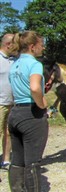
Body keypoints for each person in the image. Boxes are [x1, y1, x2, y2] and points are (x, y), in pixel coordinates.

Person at [8, 31, 57, 192]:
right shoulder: (35, 65)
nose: (42, 47)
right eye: (41, 44)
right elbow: (35, 88)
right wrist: (42, 104)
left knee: (17, 160)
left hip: (15, 112)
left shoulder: (15, 65)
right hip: (31, 113)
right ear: (32, 46)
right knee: (33, 161)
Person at [0, 33, 15, 170]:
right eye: (14, 43)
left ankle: (6, 159)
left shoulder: (13, 60)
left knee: (9, 131)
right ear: (8, 44)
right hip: (0, 103)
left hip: (11, 102)